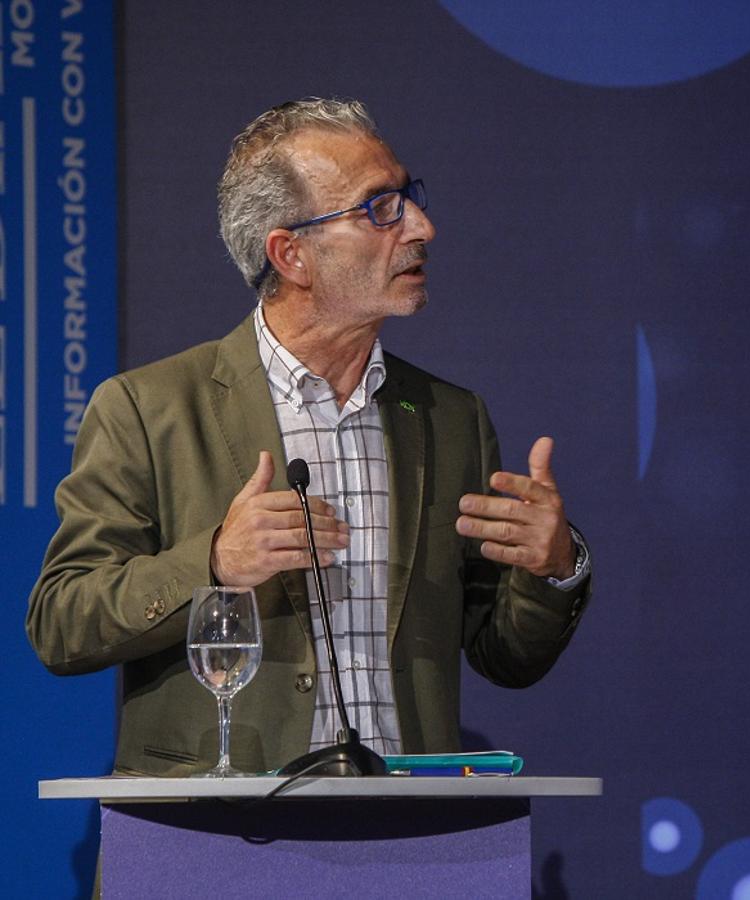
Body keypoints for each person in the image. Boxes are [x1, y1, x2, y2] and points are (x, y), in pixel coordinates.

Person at [26, 98, 592, 776]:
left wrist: (553, 568)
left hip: (402, 836)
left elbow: (506, 655)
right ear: (291, 254)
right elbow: (62, 623)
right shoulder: (148, 410)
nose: (421, 226)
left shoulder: (450, 418)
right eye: (379, 207)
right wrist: (214, 562)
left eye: (409, 197)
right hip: (216, 837)